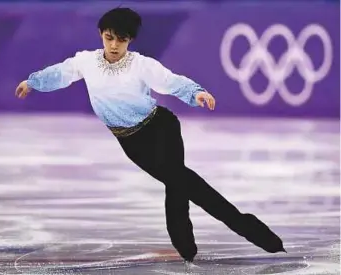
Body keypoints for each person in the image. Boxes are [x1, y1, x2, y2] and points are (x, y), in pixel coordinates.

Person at [15, 7, 285, 263]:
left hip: (162, 129)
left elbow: (170, 81)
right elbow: (61, 73)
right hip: (131, 141)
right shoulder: (86, 61)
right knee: (179, 184)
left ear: (130, 40)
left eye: (121, 39)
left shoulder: (141, 65)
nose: (114, 45)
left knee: (184, 184)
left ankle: (204, 243)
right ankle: (203, 242)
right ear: (101, 34)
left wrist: (195, 93)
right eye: (109, 37)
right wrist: (33, 82)